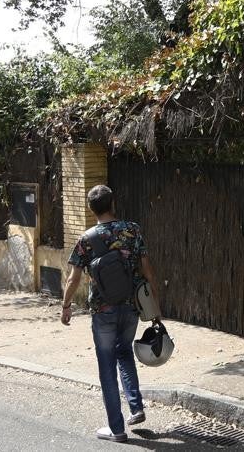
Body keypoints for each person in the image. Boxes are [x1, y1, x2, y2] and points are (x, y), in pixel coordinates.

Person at [60, 184, 161, 443]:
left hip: (102, 310)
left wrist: (66, 306)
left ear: (90, 209)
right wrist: (155, 305)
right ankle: (136, 407)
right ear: (112, 203)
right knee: (124, 351)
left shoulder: (86, 240)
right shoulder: (133, 230)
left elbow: (73, 279)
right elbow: (147, 270)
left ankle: (116, 429)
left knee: (107, 365)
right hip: (130, 306)